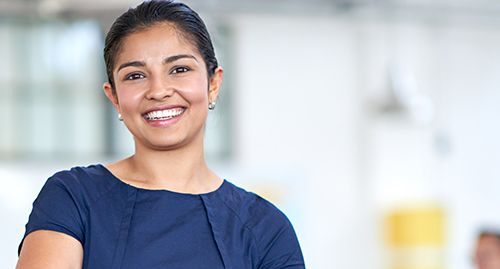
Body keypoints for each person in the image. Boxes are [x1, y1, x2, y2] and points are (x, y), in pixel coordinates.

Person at [16, 1, 305, 268]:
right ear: (114, 97)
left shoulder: (264, 228)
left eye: (179, 69)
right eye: (135, 76)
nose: (158, 91)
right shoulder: (74, 198)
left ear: (213, 83)